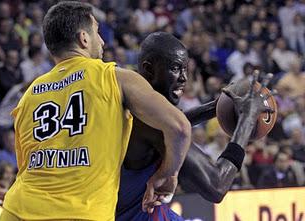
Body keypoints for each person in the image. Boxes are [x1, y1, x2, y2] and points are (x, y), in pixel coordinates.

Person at [0, 2, 192, 221]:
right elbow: (180, 128)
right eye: (97, 32)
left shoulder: (29, 94)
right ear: (84, 38)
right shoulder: (115, 77)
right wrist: (168, 174)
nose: (101, 41)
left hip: (16, 211)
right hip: (80, 213)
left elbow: (26, 164)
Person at [116, 32, 274, 220]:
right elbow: (217, 185)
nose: (184, 78)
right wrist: (247, 122)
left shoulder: (132, 105)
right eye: (175, 68)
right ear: (148, 69)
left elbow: (173, 121)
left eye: (186, 70)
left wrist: (216, 107)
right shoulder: (155, 127)